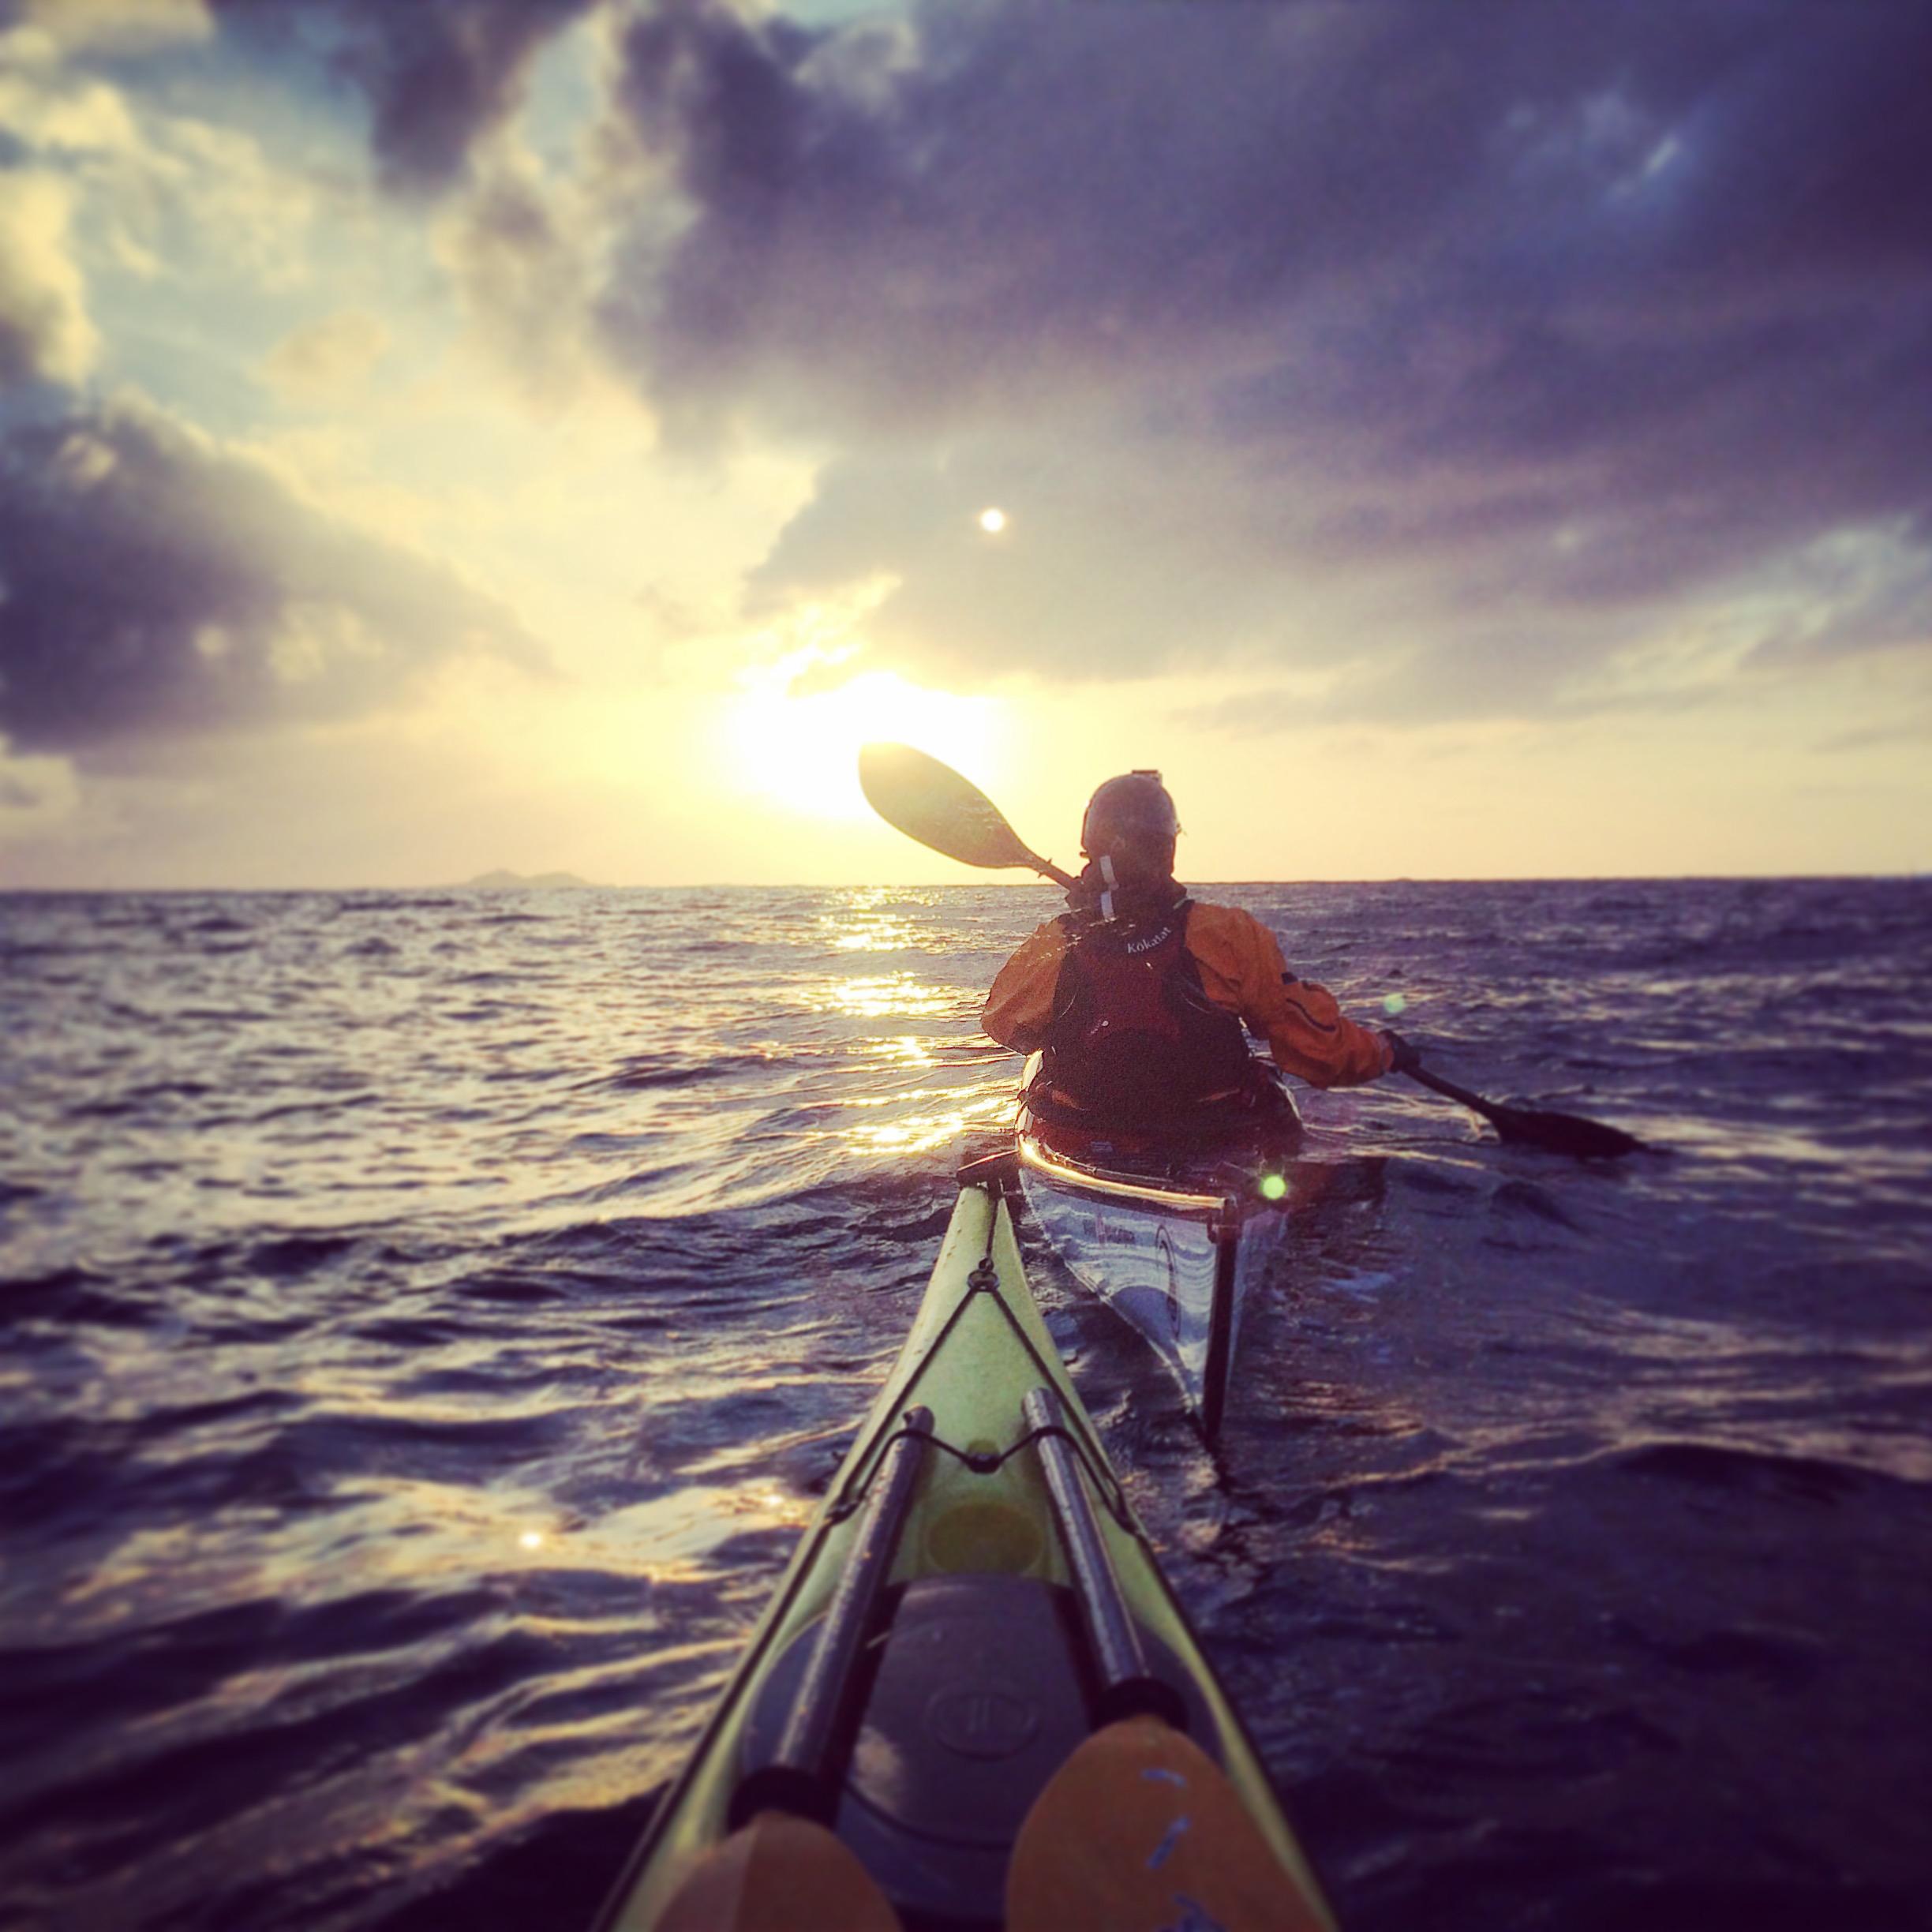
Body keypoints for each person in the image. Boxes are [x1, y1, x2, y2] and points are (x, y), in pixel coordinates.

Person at [982, 769, 1417, 1129]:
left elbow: (1002, 1022)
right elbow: (1315, 1050)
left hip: (1089, 1132)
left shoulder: (1056, 944)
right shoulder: (1228, 935)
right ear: (1168, 849)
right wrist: (1382, 1051)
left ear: (1089, 849)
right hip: (1208, 1135)